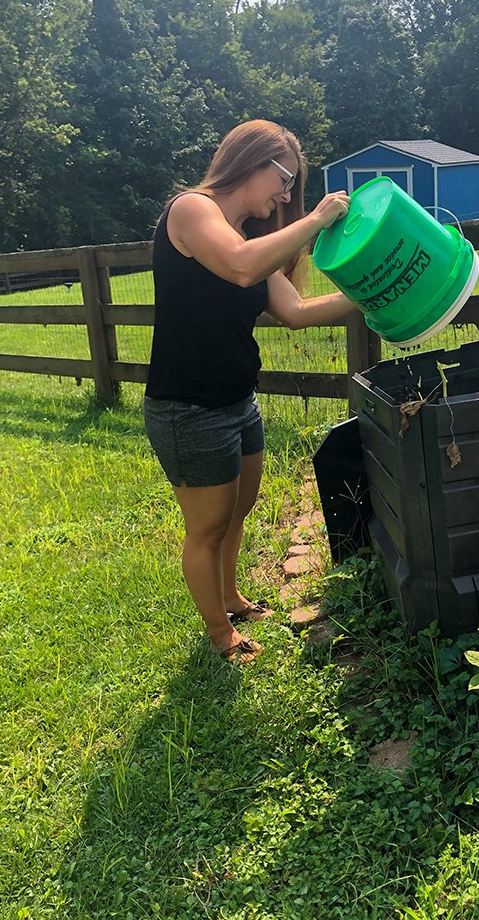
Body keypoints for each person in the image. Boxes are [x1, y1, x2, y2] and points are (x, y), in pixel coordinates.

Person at [144, 120, 355, 664]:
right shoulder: (192, 211)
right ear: (253, 161)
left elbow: (298, 313)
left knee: (237, 511)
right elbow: (239, 271)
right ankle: (219, 635)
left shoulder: (249, 242)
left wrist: (376, 293)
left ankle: (232, 598)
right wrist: (314, 220)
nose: (287, 196)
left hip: (238, 402)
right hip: (187, 410)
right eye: (285, 181)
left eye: (293, 190)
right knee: (207, 528)